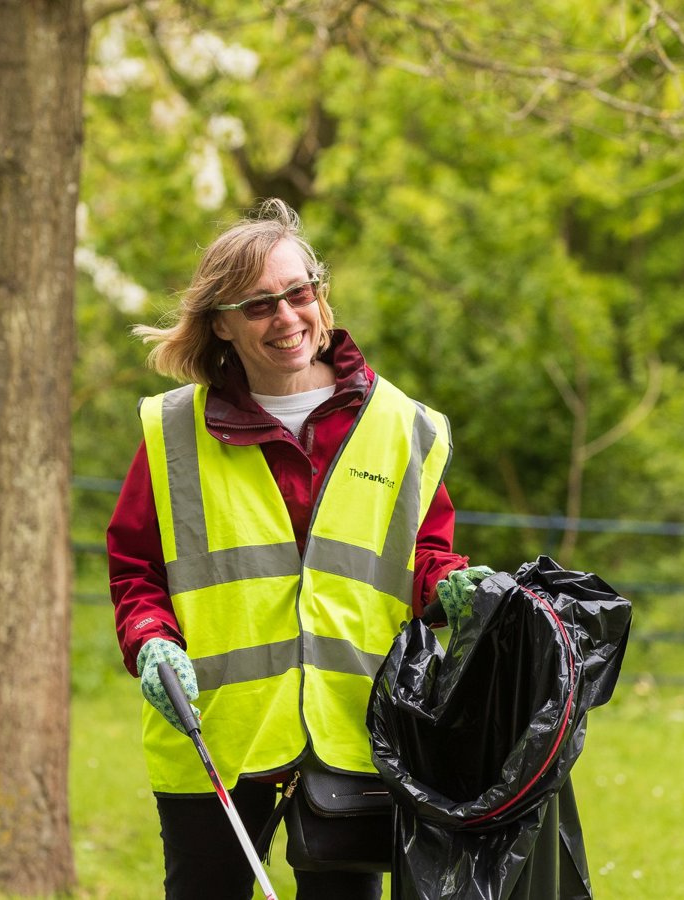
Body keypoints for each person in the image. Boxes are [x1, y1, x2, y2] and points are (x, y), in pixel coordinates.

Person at [107, 198, 492, 899]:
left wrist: (454, 588)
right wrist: (150, 641)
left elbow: (424, 560)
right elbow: (137, 569)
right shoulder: (172, 432)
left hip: (353, 733)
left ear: (320, 291)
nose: (286, 318)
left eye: (298, 292)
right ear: (220, 323)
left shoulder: (405, 428)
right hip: (217, 737)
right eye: (258, 306)